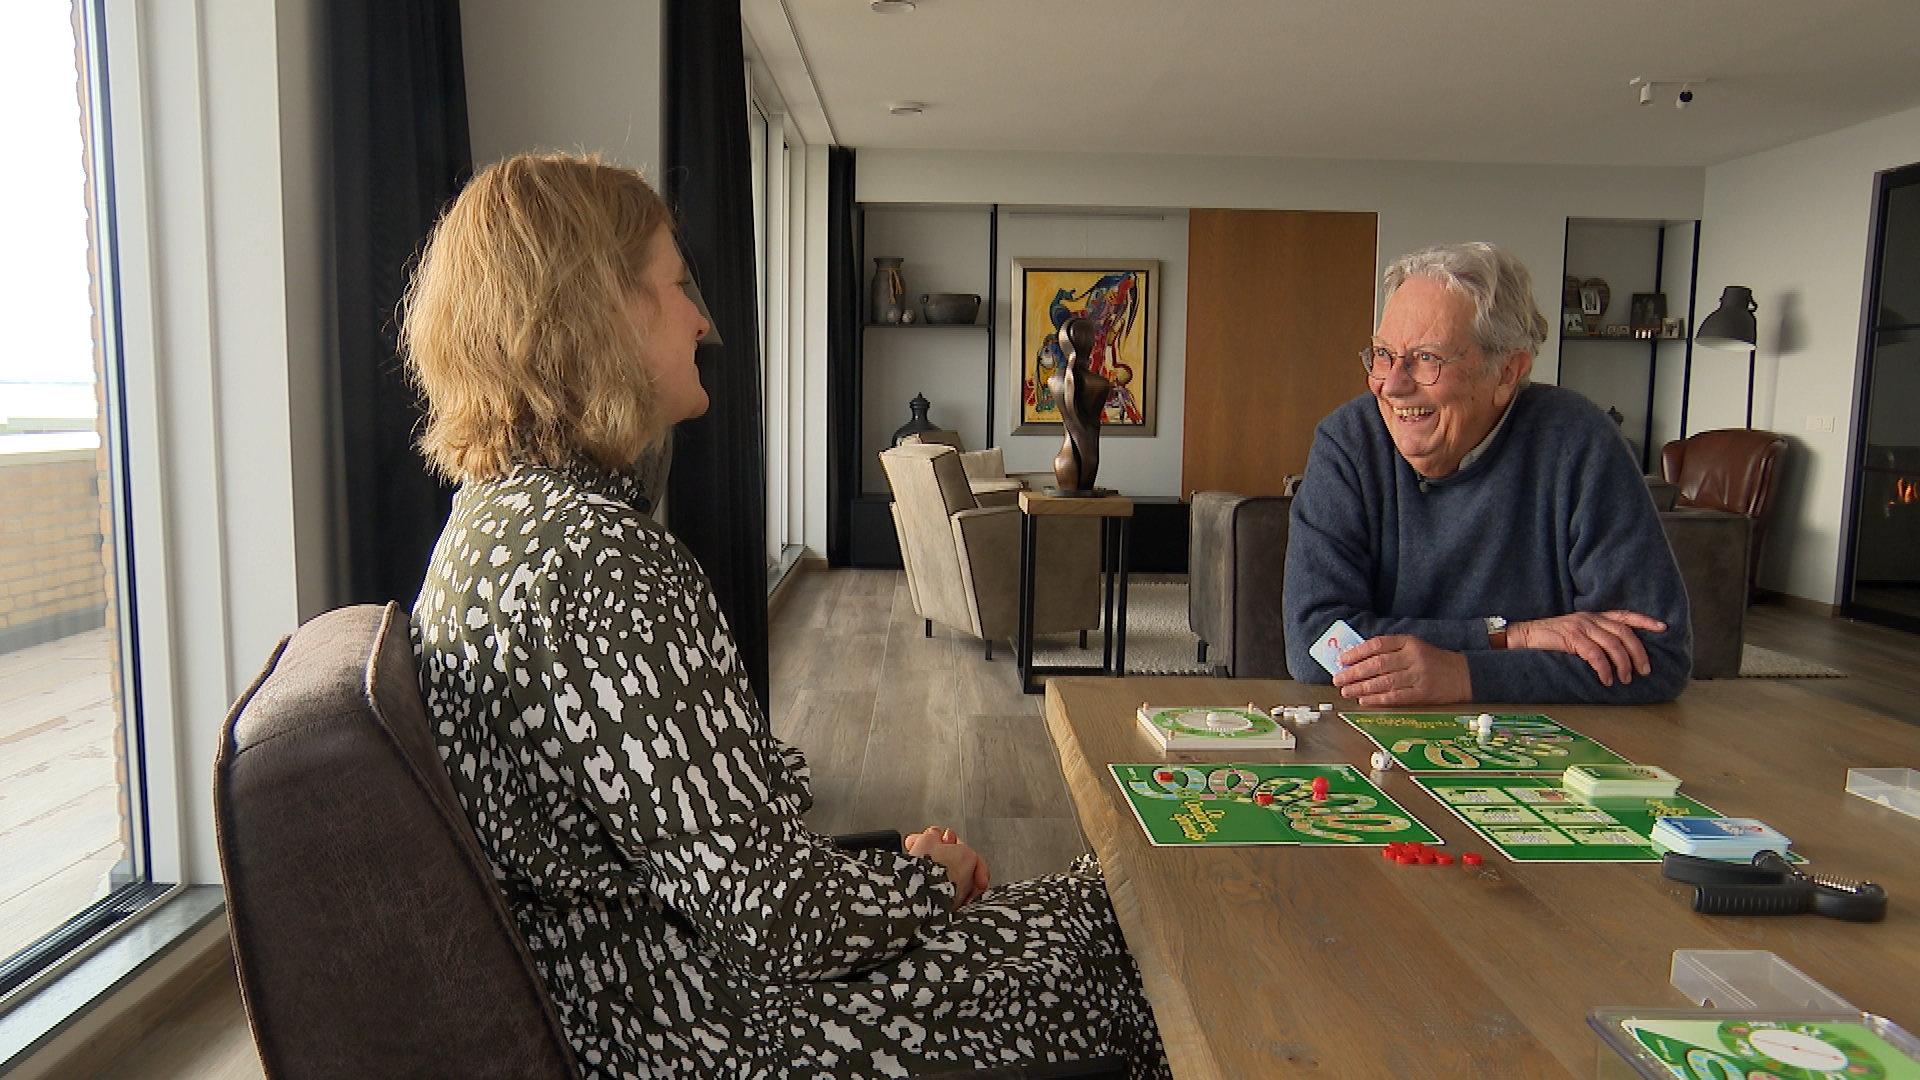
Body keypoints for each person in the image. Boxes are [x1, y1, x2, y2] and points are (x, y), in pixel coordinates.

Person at [406, 153, 1168, 1079]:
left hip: (625, 1005)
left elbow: (712, 862)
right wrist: (924, 877)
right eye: (676, 286)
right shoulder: (601, 561)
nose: (703, 320)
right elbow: (775, 923)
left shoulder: (492, 521)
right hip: (711, 1030)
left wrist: (884, 863)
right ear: (595, 313)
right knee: (1131, 941)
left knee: (1103, 910)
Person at [1283, 242, 1692, 705]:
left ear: (1507, 373)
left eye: (1426, 359)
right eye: (1382, 354)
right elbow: (1315, 642)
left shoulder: (1579, 442)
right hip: (1373, 731)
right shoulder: (1350, 441)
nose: (1390, 384)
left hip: (1553, 749)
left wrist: (1463, 674)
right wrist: (1507, 637)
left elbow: (1653, 655)